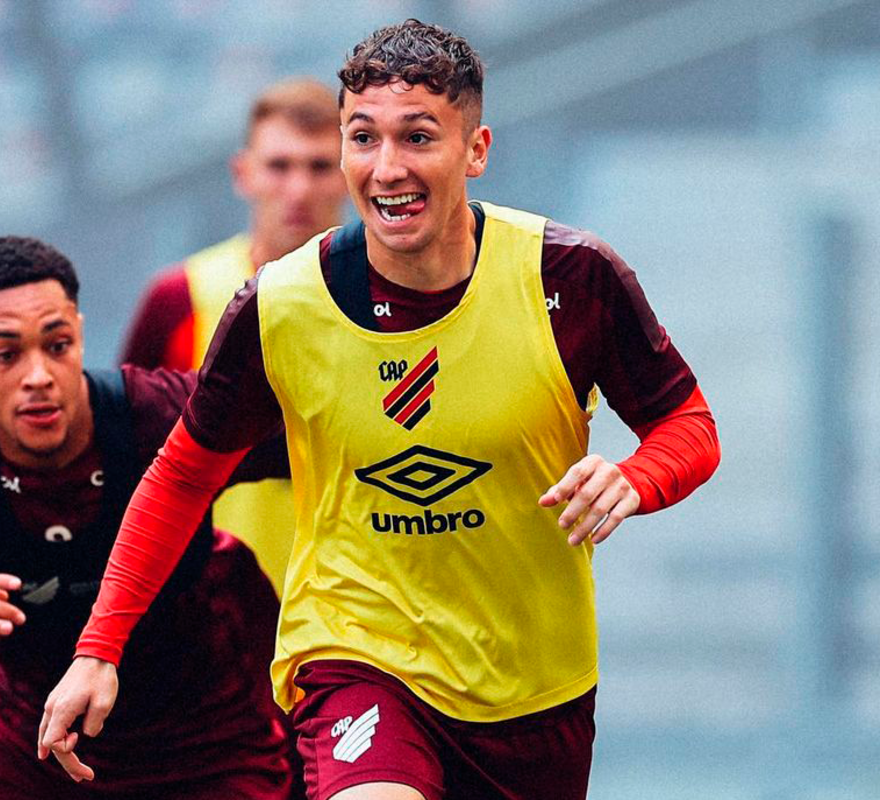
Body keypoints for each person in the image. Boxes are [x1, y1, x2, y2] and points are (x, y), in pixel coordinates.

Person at [39, 19, 721, 800]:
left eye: (418, 137)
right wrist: (100, 647)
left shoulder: (569, 276)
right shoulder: (278, 306)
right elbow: (178, 478)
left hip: (536, 687)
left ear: (477, 150)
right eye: (363, 138)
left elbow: (690, 425)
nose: (387, 167)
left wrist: (639, 476)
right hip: (356, 654)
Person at [0, 236, 296, 800]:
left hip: (209, 744)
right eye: (6, 354)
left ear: (81, 336)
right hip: (33, 740)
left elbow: (334, 441)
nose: (39, 375)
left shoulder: (160, 414)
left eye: (58, 345)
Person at [121, 76, 347, 594]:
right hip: (214, 610)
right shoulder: (179, 299)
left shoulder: (400, 298)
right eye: (279, 166)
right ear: (243, 173)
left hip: (362, 613)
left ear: (349, 174)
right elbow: (126, 456)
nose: (299, 188)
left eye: (318, 167)